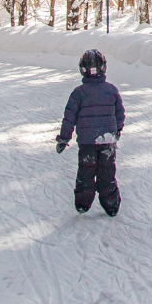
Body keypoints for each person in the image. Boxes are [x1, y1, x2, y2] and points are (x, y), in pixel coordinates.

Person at [55, 49, 126, 216]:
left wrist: (64, 138)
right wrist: (117, 130)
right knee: (107, 172)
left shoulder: (79, 93)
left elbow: (69, 118)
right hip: (107, 140)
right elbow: (120, 114)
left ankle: (83, 203)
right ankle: (111, 205)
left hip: (87, 143)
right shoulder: (111, 90)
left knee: (86, 172)